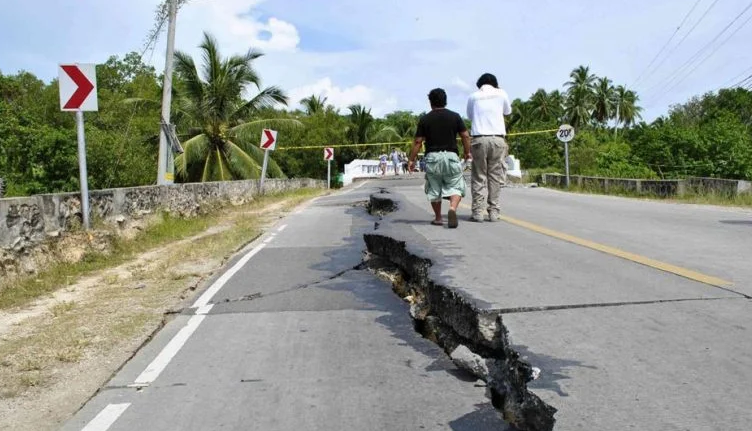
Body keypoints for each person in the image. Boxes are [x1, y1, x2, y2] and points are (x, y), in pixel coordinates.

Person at [408, 88, 472, 229]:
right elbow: (466, 136)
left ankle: (438, 218)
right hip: (451, 156)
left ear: (431, 103)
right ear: (446, 101)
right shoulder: (455, 116)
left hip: (433, 158)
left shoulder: (425, 119)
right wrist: (467, 153)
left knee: (434, 187)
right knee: (456, 185)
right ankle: (452, 209)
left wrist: (411, 160)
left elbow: (418, 142)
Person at [466, 73, 512, 222]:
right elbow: (507, 111)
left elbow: (470, 116)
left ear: (479, 84)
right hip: (497, 139)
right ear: (495, 83)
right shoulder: (501, 93)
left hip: (479, 139)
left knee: (479, 177)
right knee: (495, 176)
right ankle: (493, 212)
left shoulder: (473, 96)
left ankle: (477, 213)